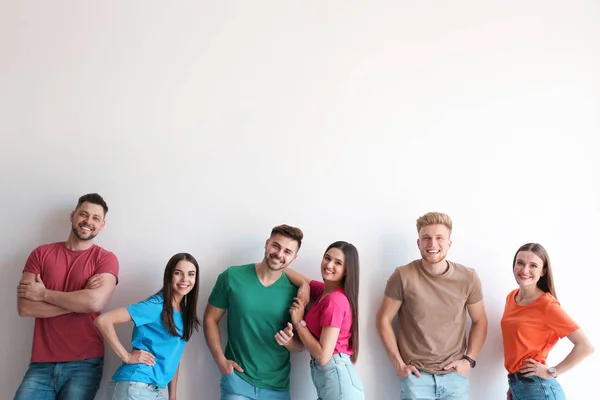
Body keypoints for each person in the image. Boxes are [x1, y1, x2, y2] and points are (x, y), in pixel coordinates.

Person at [15, 193, 119, 400]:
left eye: (96, 218)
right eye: (84, 214)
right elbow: (25, 308)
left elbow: (95, 302)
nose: (88, 221)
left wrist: (43, 294)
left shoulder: (106, 259)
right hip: (41, 363)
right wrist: (80, 300)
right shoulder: (41, 254)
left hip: (85, 363)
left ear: (102, 225)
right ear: (73, 215)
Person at [376, 212, 488, 400]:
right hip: (416, 378)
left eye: (439, 238)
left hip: (455, 379)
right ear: (418, 243)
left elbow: (480, 320)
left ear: (449, 243)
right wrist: (399, 365)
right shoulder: (403, 276)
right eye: (426, 238)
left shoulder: (468, 277)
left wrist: (468, 361)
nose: (432, 244)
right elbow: (383, 319)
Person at [204, 224, 308, 400]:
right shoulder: (232, 277)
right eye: (276, 246)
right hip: (237, 382)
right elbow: (210, 319)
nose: (279, 254)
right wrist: (221, 361)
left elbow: (301, 345)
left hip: (277, 387)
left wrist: (289, 342)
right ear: (267, 243)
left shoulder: (295, 293)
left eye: (287, 252)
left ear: (294, 258)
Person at [95, 252, 201, 400]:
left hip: (149, 388)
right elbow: (103, 320)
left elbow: (173, 357)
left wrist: (173, 395)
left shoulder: (183, 313)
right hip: (136, 386)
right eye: (178, 273)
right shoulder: (155, 305)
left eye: (191, 274)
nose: (185, 279)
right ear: (169, 275)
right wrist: (126, 356)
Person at [501, 243, 594, 400]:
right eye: (520, 263)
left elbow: (585, 346)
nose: (524, 270)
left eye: (533, 265)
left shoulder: (547, 305)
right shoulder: (512, 297)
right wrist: (515, 385)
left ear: (543, 271)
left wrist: (552, 371)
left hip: (539, 388)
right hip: (519, 386)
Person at [285, 241, 364, 400]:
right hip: (330, 378)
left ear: (347, 270)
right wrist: (304, 285)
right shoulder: (324, 291)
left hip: (337, 380)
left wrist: (299, 322)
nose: (329, 265)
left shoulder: (334, 300)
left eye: (338, 263)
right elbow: (285, 270)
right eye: (327, 258)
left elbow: (323, 355)